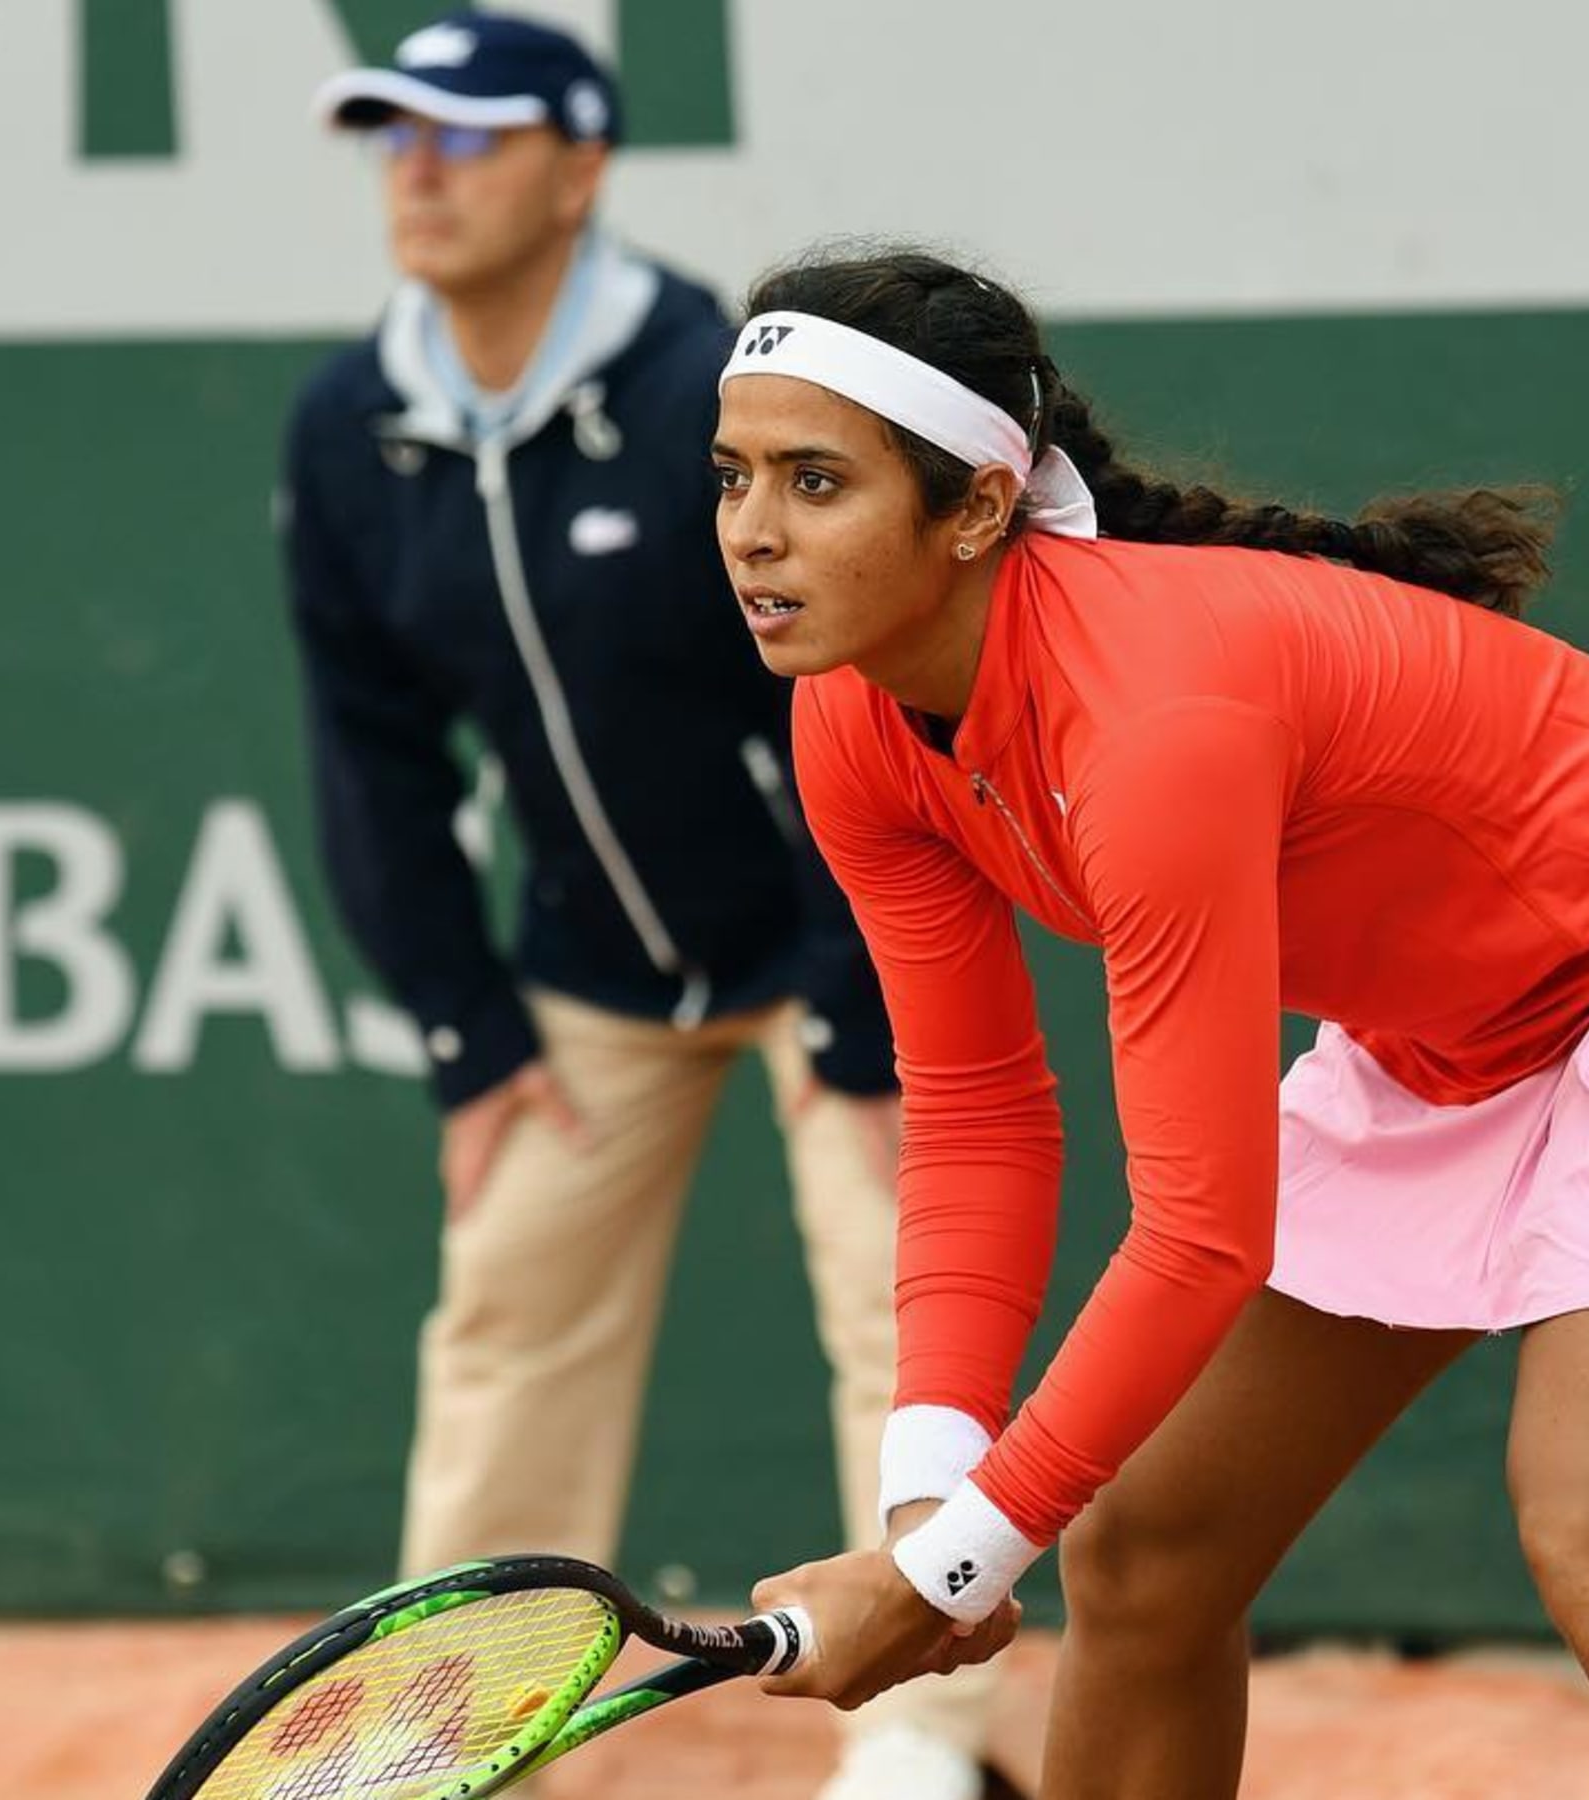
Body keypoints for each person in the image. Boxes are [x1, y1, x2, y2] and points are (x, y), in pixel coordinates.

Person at [715, 247, 1589, 1800]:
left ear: (976, 508)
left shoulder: (1155, 716)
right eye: (733, 477)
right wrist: (931, 1502)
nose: (754, 532)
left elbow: (1199, 1233)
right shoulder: (852, 720)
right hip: (1457, 1036)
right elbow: (979, 1117)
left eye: (815, 482)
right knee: (1149, 1548)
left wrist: (952, 1571)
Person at [278, 24, 998, 1798]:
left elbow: (863, 691)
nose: (420, 171)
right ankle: (459, 1745)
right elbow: (369, 754)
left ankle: (924, 1743)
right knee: (504, 1329)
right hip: (589, 971)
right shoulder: (352, 427)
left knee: (908, 1317)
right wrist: (468, 1032)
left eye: (469, 137)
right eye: (393, 137)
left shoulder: (706, 393)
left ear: (582, 168)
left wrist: (860, 1000)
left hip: (838, 939)